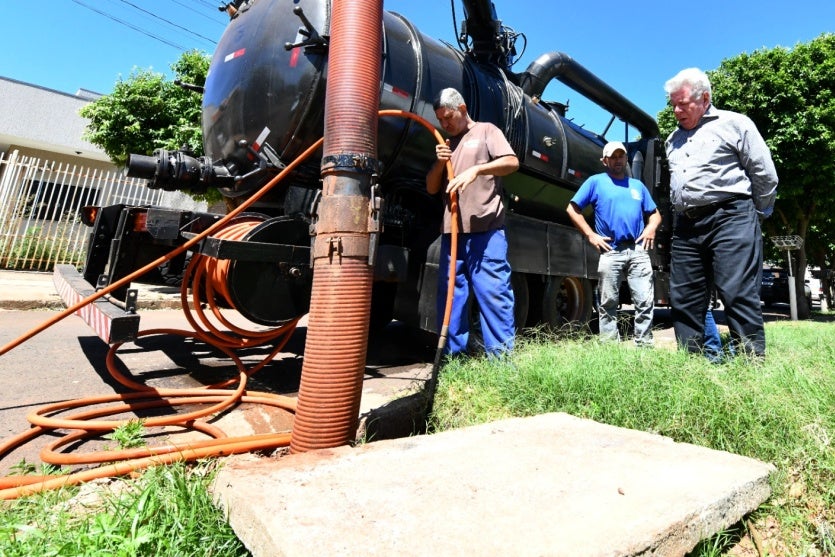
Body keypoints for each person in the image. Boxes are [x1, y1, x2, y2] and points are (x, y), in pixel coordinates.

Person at [664, 67, 778, 358]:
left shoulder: (735, 124)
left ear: (705, 98)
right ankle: (695, 365)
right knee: (684, 298)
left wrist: (757, 213)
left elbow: (764, 173)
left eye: (683, 103)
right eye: (672, 104)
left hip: (731, 216)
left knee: (736, 291)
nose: (676, 110)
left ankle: (751, 363)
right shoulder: (671, 140)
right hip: (686, 225)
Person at [426, 87, 520, 356]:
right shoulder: (446, 144)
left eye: (449, 117)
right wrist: (438, 163)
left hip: (487, 233)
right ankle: (453, 362)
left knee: (494, 297)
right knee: (451, 301)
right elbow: (432, 188)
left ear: (463, 109)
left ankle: (501, 366)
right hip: (452, 235)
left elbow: (511, 162)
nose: (445, 124)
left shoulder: (486, 131)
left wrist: (478, 169)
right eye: (441, 120)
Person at [566, 141, 662, 346]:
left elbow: (655, 215)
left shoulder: (638, 186)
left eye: (621, 156)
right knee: (608, 302)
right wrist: (591, 235)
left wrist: (651, 228)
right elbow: (572, 209)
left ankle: (644, 346)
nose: (618, 160)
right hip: (611, 251)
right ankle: (610, 346)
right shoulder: (595, 182)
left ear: (626, 159)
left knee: (645, 301)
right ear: (604, 160)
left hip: (638, 250)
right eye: (613, 157)